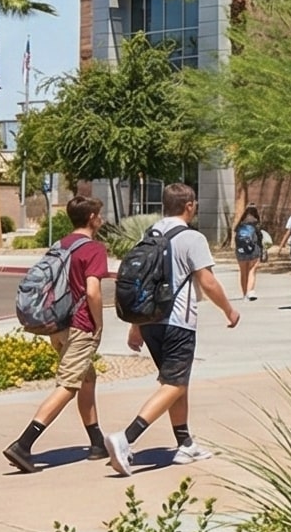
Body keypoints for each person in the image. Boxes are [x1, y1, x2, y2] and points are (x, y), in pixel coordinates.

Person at [103, 183, 240, 474]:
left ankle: (185, 443)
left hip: (150, 321)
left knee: (177, 383)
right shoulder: (192, 238)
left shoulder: (150, 233)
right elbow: (208, 282)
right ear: (189, 205)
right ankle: (125, 439)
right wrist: (229, 310)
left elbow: (144, 281)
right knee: (174, 384)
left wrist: (135, 326)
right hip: (178, 322)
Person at [0, 197, 110, 473]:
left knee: (87, 378)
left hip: (57, 325)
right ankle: (23, 445)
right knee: (69, 385)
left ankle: (97, 442)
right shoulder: (94, 249)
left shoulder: (61, 244)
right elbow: (93, 291)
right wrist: (99, 324)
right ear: (92, 217)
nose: (101, 219)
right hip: (81, 325)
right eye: (100, 215)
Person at [231, 204, 265, 301]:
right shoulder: (256, 223)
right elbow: (260, 238)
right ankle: (251, 291)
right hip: (254, 250)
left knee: (243, 272)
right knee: (252, 271)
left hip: (240, 251)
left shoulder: (240, 224)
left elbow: (236, 237)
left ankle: (244, 294)